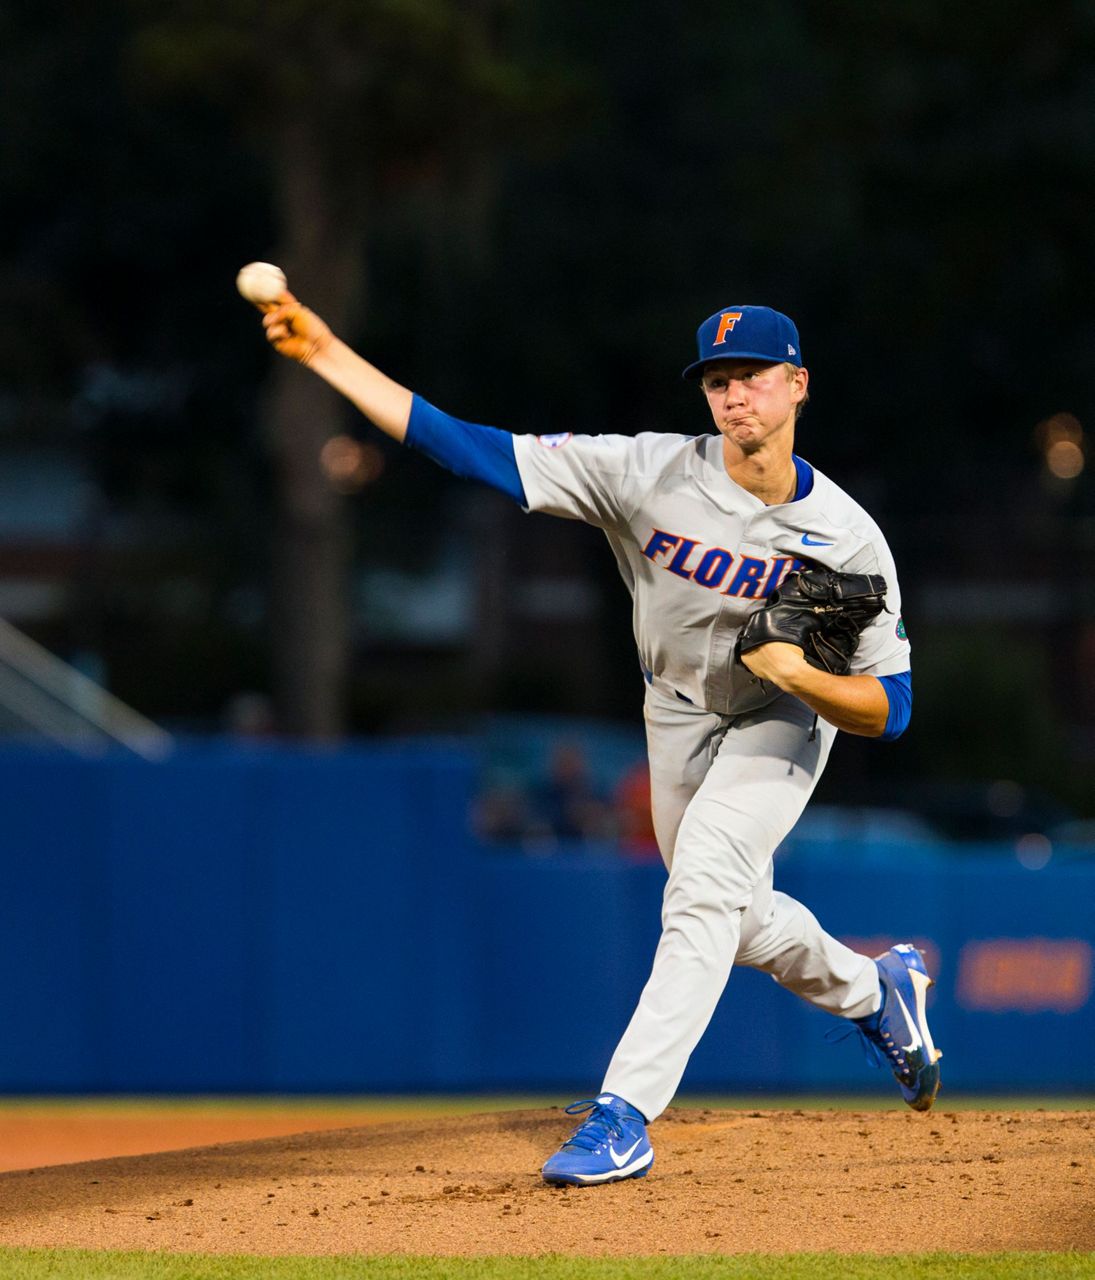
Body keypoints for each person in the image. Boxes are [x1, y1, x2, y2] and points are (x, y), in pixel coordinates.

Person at [258, 295, 940, 1187]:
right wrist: (330, 356)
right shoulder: (646, 474)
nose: (734, 397)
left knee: (700, 893)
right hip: (676, 710)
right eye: (718, 381)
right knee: (732, 918)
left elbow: (892, 707)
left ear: (797, 386)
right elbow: (471, 448)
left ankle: (624, 1114)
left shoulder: (850, 539)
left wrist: (802, 680)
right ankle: (873, 990)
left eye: (753, 378)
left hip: (779, 721)